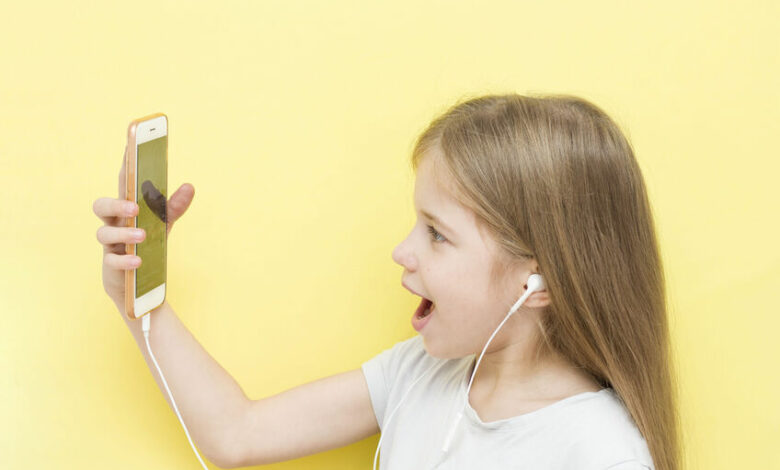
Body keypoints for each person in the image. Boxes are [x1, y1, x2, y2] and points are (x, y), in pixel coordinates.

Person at [93, 93, 681, 470]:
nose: (403, 252)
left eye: (437, 234)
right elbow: (236, 433)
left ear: (539, 280)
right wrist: (141, 301)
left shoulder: (600, 452)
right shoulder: (420, 374)